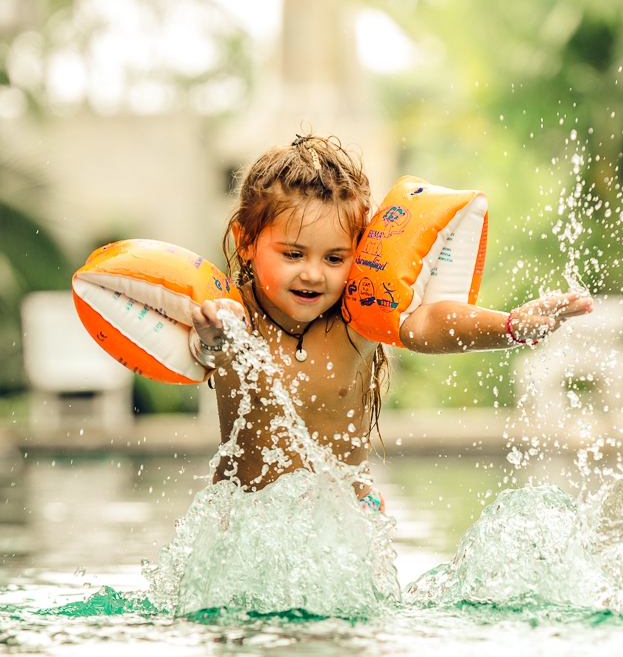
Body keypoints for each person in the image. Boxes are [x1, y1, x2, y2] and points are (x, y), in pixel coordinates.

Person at [188, 134, 592, 510]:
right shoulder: (231, 316)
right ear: (246, 240)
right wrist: (211, 339)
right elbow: (200, 354)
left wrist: (510, 326)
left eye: (334, 258)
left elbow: (427, 323)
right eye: (293, 255)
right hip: (244, 522)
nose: (313, 274)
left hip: (345, 525)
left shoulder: (355, 319)